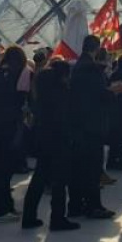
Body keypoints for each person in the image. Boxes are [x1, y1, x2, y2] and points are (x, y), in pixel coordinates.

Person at [22, 59, 80, 230]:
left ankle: (29, 216)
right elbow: (65, 117)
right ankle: (57, 218)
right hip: (59, 140)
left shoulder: (41, 93)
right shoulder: (62, 93)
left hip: (42, 138)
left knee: (39, 177)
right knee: (60, 180)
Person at [69, 37, 117, 219]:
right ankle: (93, 206)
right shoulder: (93, 69)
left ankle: (75, 205)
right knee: (92, 168)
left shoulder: (77, 67)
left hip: (78, 125)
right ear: (97, 49)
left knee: (79, 168)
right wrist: (113, 91)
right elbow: (99, 96)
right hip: (92, 126)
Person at [0, 46, 31, 221]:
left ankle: (1, 204)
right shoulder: (24, 72)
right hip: (12, 125)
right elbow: (24, 97)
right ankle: (2, 208)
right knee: (8, 168)